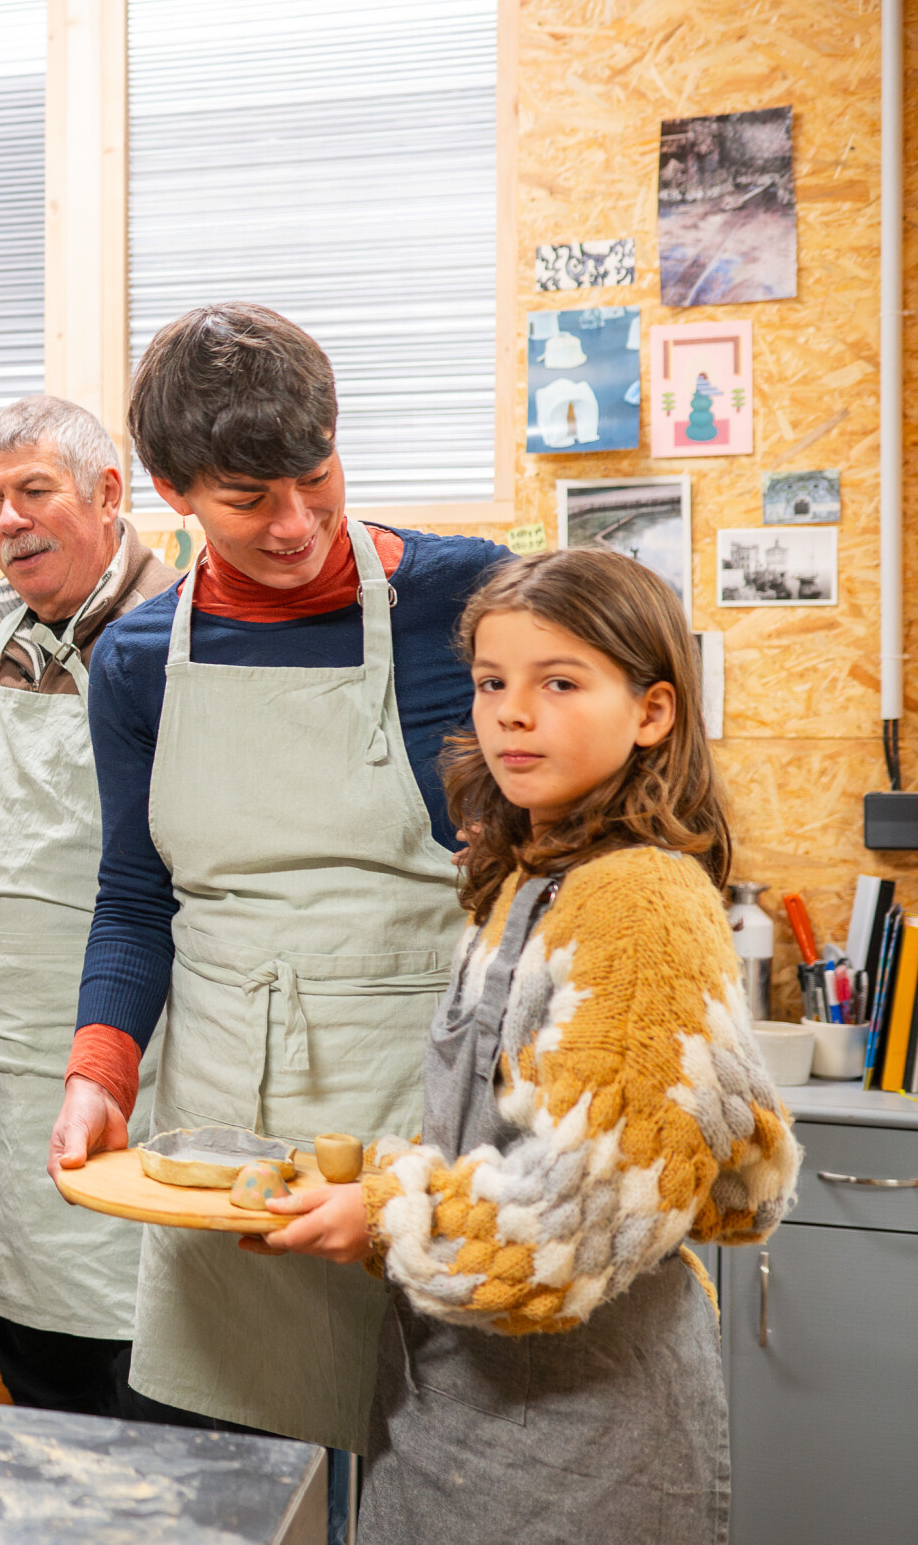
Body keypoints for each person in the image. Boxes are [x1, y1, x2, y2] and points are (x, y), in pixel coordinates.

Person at [47, 301, 513, 1460]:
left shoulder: (469, 604)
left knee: (439, 1466)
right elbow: (133, 897)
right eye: (248, 501)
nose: (297, 522)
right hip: (225, 1120)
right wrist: (100, 1063)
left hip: (426, 1101)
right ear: (169, 490)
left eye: (316, 477)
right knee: (242, 1469)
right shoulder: (140, 660)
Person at [260, 548, 800, 1541]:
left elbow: (576, 1221)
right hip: (451, 1418)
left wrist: (380, 1213)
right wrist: (369, 1178)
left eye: (558, 681)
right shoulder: (532, 877)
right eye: (489, 682)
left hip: (579, 1451)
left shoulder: (638, 904)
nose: (510, 711)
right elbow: (506, 1143)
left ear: (651, 713)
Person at [0, 396, 181, 1416]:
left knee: (157, 1372)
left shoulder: (182, 629)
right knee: (42, 1368)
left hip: (148, 1064)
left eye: (32, 491)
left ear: (107, 493)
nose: (7, 520)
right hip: (2, 1062)